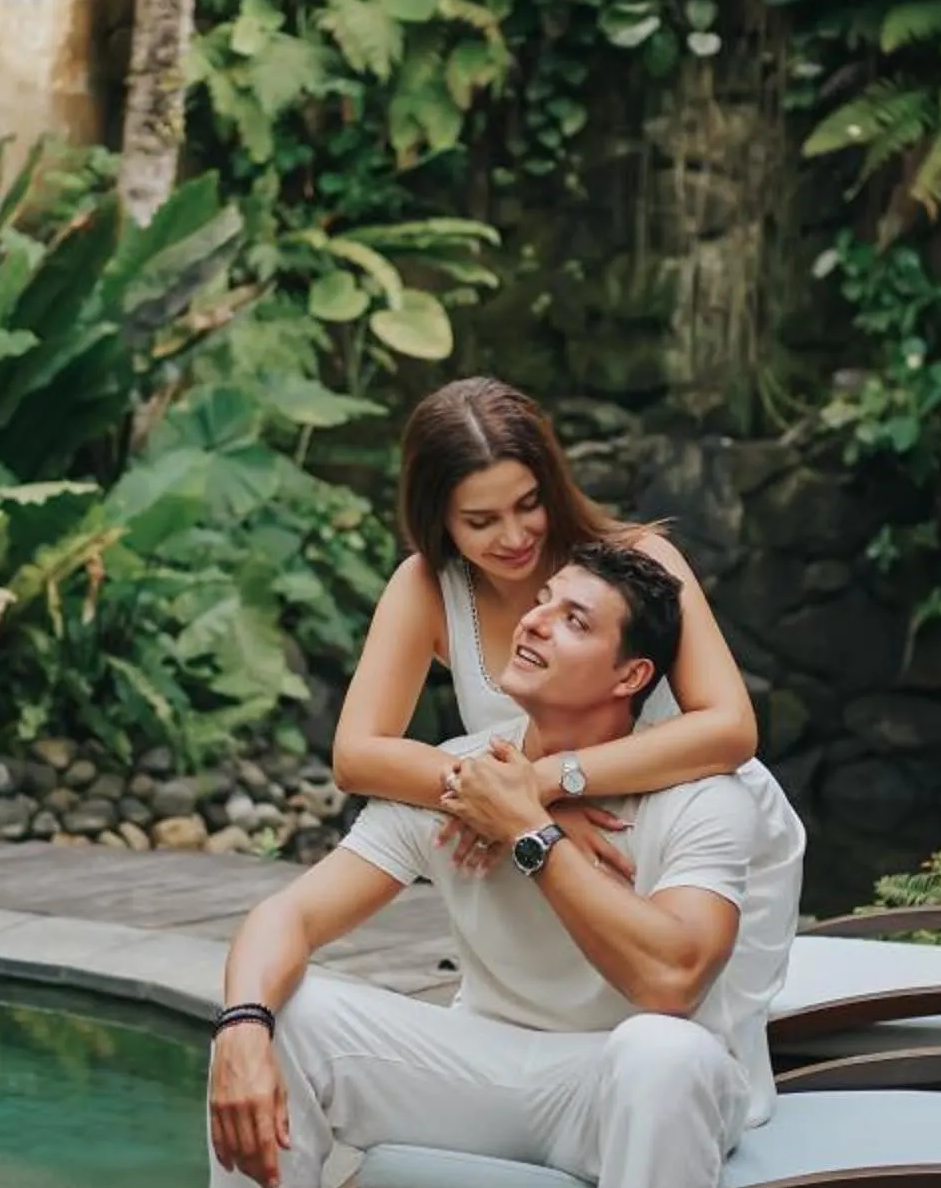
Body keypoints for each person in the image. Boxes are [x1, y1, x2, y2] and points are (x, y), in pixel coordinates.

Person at [161, 541, 786, 1188]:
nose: (535, 620)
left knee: (665, 1054)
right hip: (491, 1070)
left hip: (622, 1090)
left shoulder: (701, 792)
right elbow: (289, 911)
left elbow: (672, 974)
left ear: (634, 676)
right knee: (290, 1007)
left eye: (575, 619)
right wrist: (238, 1024)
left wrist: (533, 833)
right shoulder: (459, 766)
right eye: (540, 603)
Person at [331, 376, 806, 1020]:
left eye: (528, 504)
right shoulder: (427, 586)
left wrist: (548, 783)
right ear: (437, 516)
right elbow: (357, 755)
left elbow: (728, 729)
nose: (514, 535)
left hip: (689, 840)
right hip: (555, 845)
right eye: (480, 520)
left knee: (674, 1036)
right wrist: (502, 800)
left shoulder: (636, 562)